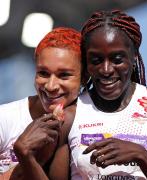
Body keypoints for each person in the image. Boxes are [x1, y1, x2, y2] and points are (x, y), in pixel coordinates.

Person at [67, 9, 147, 180]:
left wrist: (141, 155)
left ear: (134, 56)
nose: (106, 70)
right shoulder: (72, 113)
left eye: (117, 59)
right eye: (96, 60)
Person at [0, 27, 82, 180]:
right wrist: (27, 154)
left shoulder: (94, 121)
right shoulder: (5, 118)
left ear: (84, 77)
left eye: (64, 75)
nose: (51, 86)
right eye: (43, 73)